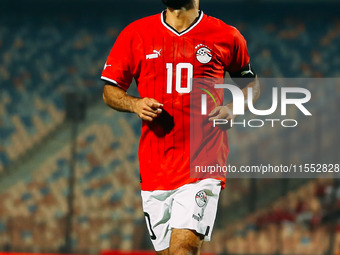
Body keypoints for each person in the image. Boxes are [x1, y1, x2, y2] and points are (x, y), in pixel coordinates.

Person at [102, 0, 260, 254]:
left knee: (183, 248)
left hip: (203, 161)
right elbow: (110, 91)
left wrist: (232, 109)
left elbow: (251, 86)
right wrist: (135, 104)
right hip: (155, 166)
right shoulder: (135, 33)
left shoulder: (226, 36)